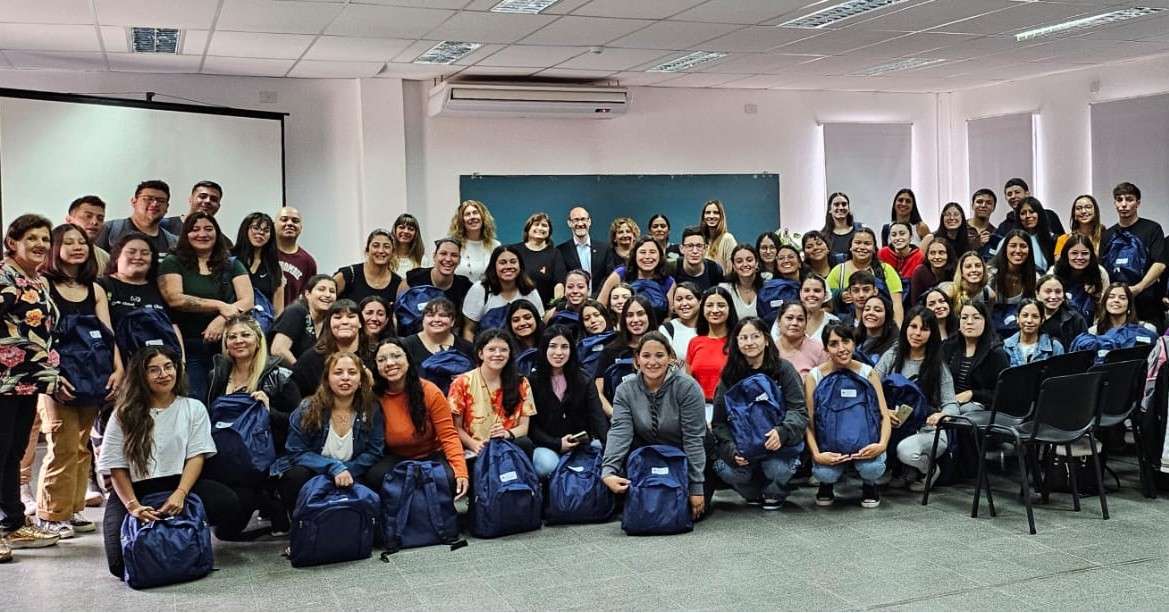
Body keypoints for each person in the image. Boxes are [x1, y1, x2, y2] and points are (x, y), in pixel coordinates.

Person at [100, 348, 255, 578]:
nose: (163, 374)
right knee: (118, 564)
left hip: (178, 483)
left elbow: (197, 455)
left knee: (228, 502)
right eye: (154, 370)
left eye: (168, 367)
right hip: (136, 489)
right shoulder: (123, 413)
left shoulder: (192, 407)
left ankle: (186, 536)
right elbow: (116, 466)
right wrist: (133, 506)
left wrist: (181, 493)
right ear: (141, 376)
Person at [35, 224, 124, 538]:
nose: (77, 247)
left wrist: (118, 369)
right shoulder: (42, 284)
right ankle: (49, 514)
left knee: (82, 446)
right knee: (62, 444)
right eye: (68, 242)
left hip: (93, 375)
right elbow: (39, 337)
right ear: (55, 248)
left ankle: (71, 511)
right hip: (57, 378)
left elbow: (107, 332)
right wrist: (52, 376)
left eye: (82, 242)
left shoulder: (95, 288)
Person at [0, 215, 62, 559]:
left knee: (13, 452)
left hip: (27, 381)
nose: (40, 244)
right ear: (13, 242)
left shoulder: (37, 280)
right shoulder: (4, 276)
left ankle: (13, 522)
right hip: (2, 380)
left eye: (45, 238)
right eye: (32, 238)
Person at [601, 332, 711, 521]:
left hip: (687, 457)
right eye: (646, 356)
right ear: (637, 360)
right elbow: (620, 432)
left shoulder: (688, 387)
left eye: (659, 355)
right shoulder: (625, 390)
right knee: (644, 513)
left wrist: (696, 487)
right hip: (649, 457)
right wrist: (608, 470)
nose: (653, 362)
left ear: (670, 358)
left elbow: (693, 439)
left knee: (683, 514)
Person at [272, 352, 384, 522]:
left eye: (352, 373)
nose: (345, 378)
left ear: (361, 380)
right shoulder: (307, 408)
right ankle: (301, 526)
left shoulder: (372, 408)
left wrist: (348, 470)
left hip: (354, 472)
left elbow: (375, 451)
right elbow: (296, 451)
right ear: (327, 379)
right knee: (294, 475)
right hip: (315, 472)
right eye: (338, 372)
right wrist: (334, 468)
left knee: (377, 474)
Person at [711, 317, 808, 509]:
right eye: (743, 338)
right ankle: (753, 492)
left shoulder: (784, 369)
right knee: (726, 470)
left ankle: (775, 491)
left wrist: (783, 431)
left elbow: (798, 410)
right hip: (744, 447)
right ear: (736, 343)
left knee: (776, 469)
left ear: (765, 339)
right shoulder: (729, 375)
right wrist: (731, 450)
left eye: (755, 336)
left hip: (778, 449)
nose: (749, 343)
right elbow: (719, 423)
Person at [158, 212, 254, 403]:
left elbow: (247, 300)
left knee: (228, 400)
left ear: (217, 233)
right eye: (195, 229)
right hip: (189, 345)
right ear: (185, 234)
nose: (202, 234)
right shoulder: (173, 261)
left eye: (208, 229)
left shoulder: (232, 264)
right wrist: (219, 306)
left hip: (228, 346)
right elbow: (175, 298)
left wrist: (222, 319)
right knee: (196, 400)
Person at [362, 338, 467, 501]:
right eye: (381, 360)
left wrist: (461, 471)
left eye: (396, 356)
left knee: (450, 478)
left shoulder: (431, 391)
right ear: (376, 367)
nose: (389, 363)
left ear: (408, 360)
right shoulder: (374, 396)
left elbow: (449, 436)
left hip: (431, 454)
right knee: (373, 477)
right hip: (396, 457)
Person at [804, 323, 891, 508]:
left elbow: (884, 414)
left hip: (866, 443)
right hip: (830, 446)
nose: (841, 348)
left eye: (846, 341)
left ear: (853, 343)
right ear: (826, 348)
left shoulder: (868, 372)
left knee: (872, 469)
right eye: (834, 343)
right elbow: (809, 422)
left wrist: (881, 445)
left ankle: (870, 484)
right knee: (825, 473)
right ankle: (826, 484)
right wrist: (817, 455)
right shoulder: (815, 376)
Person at [875, 307, 958, 492]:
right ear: (905, 328)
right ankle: (896, 471)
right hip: (896, 424)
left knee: (906, 451)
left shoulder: (938, 365)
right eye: (913, 326)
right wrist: (884, 411)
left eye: (924, 329)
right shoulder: (893, 355)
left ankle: (928, 470)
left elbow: (951, 403)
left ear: (932, 333)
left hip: (927, 429)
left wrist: (942, 415)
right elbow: (871, 386)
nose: (917, 333)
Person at [206, 315, 300, 453]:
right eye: (232, 337)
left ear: (258, 340)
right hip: (223, 451)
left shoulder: (279, 376)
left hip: (265, 457)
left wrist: (269, 411)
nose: (239, 341)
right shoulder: (216, 376)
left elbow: (298, 423)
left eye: (245, 335)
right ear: (226, 344)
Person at [528, 326, 609, 478]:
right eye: (553, 346)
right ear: (544, 348)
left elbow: (597, 417)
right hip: (547, 445)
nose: (559, 352)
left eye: (564, 347)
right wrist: (557, 443)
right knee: (547, 465)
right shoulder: (532, 381)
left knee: (601, 455)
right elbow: (531, 426)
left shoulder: (583, 379)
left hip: (580, 444)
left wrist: (610, 451)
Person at [447, 329, 537, 459]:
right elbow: (456, 427)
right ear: (481, 353)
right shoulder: (462, 382)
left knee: (525, 443)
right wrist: (474, 445)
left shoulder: (521, 382)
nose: (498, 354)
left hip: (508, 445)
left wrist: (507, 433)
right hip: (475, 448)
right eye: (491, 349)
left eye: (503, 350)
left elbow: (524, 427)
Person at [100, 233, 184, 355]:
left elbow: (173, 327)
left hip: (161, 364)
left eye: (145, 253)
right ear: (117, 256)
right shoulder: (102, 285)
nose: (138, 257)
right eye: (131, 252)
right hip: (120, 362)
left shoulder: (160, 288)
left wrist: (181, 362)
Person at [1100, 182, 1166, 331]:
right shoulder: (1107, 235)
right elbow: (1102, 269)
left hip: (1147, 305)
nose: (1123, 204)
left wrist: (1138, 288)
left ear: (1138, 203)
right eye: (1119, 199)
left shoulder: (1152, 229)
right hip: (1115, 309)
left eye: (1129, 199)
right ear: (1115, 203)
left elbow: (1160, 263)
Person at [462, 245, 544, 340]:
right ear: (494, 266)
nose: (508, 266)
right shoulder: (480, 289)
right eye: (503, 263)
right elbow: (469, 330)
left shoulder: (530, 290)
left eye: (513, 262)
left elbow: (538, 326)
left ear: (520, 265)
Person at [291, 300, 371, 397]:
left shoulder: (373, 355)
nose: (344, 322)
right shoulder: (312, 358)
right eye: (337, 317)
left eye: (351, 317)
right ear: (329, 324)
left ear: (360, 323)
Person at [594, 295, 658, 416]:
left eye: (640, 314)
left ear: (649, 316)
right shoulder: (610, 351)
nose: (635, 320)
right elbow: (598, 392)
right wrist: (615, 415)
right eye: (629, 315)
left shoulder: (663, 348)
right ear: (624, 320)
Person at [826, 228, 904, 325]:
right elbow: (825, 299)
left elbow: (897, 305)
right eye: (858, 243)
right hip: (846, 329)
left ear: (874, 248)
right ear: (850, 246)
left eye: (867, 243)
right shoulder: (838, 271)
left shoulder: (886, 270)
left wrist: (897, 332)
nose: (862, 247)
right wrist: (839, 295)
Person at [944, 301, 1010, 414]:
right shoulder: (948, 346)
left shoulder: (996, 353)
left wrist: (972, 394)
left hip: (979, 407)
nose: (969, 322)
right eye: (964, 317)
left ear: (985, 322)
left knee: (966, 411)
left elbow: (1003, 394)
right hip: (949, 401)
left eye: (976, 318)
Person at [597, 236, 675, 322]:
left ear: (660, 256)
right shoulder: (620, 274)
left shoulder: (668, 281)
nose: (647, 256)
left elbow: (670, 317)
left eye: (652, 252)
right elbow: (600, 306)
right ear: (634, 255)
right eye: (642, 252)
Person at [686, 286, 737, 418]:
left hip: (730, 410)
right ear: (702, 309)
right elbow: (688, 382)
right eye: (709, 305)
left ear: (729, 309)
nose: (715, 310)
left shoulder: (737, 342)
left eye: (721, 305)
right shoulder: (694, 342)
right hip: (698, 410)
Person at [95, 180, 178, 260]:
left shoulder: (173, 242)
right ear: (134, 201)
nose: (155, 204)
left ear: (167, 207)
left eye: (161, 201)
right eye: (148, 198)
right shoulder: (109, 230)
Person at [269, 274, 336, 366]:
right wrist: (301, 372)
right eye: (321, 289)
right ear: (307, 294)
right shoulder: (296, 311)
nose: (328, 295)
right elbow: (278, 350)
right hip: (285, 375)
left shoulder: (330, 320)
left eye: (332, 291)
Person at [231, 212, 285, 315]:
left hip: (262, 326)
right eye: (255, 228)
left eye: (266, 230)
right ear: (245, 229)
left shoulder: (273, 267)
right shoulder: (230, 259)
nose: (260, 233)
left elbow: (278, 311)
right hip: (229, 322)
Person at [405, 238, 473, 319]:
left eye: (454, 255)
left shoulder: (465, 286)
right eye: (443, 253)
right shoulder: (414, 279)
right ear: (434, 256)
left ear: (459, 260)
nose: (448, 259)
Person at [335, 229, 403, 307]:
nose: (381, 250)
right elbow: (327, 299)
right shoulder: (349, 274)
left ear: (393, 253)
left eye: (386, 247)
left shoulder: (398, 283)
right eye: (376, 246)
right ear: (367, 250)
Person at [401, 297, 474, 369]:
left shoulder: (467, 348)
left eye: (443, 315)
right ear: (422, 320)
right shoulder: (406, 345)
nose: (436, 320)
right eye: (430, 315)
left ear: (452, 321)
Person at [1052, 233, 1109, 324]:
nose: (1079, 257)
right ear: (1066, 254)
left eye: (1085, 253)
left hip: (1091, 329)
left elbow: (1106, 307)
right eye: (1074, 253)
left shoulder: (1101, 273)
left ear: (1091, 255)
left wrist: (1096, 296)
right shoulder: (1054, 272)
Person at [513, 212, 567, 307]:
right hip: (515, 309)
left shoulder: (555, 254)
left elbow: (559, 284)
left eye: (544, 225)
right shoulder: (514, 251)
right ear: (528, 229)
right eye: (536, 224)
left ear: (549, 231)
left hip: (545, 311)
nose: (540, 228)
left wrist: (556, 308)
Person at [556, 206, 612, 296]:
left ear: (589, 221)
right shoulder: (561, 251)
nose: (580, 223)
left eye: (583, 219)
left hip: (600, 302)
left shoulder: (604, 249)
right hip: (573, 302)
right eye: (576, 220)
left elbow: (609, 277)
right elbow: (561, 280)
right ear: (569, 223)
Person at [274, 206, 317, 308]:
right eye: (284, 219)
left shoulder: (308, 262)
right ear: (274, 224)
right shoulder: (263, 254)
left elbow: (307, 298)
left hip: (290, 319)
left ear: (301, 228)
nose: (289, 224)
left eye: (295, 221)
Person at [450, 200, 501, 284]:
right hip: (460, 295)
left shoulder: (495, 245)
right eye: (467, 214)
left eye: (475, 213)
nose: (472, 217)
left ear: (483, 217)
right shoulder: (453, 245)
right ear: (461, 220)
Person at [771, 303, 828, 377]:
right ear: (778, 322)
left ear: (806, 324)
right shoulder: (770, 350)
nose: (795, 323)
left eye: (800, 319)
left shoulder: (819, 350)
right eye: (789, 318)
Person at [996, 177, 1066, 237]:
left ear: (1027, 194)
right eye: (1009, 194)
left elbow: (1062, 242)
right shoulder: (1004, 227)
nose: (1013, 196)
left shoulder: (1049, 216)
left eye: (1017, 192)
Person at [1003, 299, 1064, 366]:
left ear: (1042, 320)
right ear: (1017, 318)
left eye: (1035, 316)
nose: (1029, 320)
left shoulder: (1055, 347)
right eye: (1025, 315)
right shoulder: (1005, 347)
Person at [1035, 274, 1089, 349]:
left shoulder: (1076, 320)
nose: (1053, 296)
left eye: (1058, 292)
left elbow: (1084, 349)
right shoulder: (1029, 317)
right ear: (1037, 294)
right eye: (1048, 292)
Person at [989, 230, 1038, 306]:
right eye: (1013, 245)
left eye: (1023, 246)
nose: (1018, 250)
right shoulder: (990, 274)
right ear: (1005, 248)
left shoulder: (1035, 277)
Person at [159, 181, 224, 237]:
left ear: (218, 206)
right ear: (191, 199)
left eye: (214, 199)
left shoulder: (223, 241)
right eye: (202, 196)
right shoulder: (163, 225)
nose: (208, 201)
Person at [1088, 283, 1157, 335]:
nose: (1116, 300)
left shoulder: (1147, 329)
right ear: (1105, 303)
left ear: (1129, 305)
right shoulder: (1093, 332)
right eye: (1111, 297)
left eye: (1122, 298)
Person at [65, 195, 110, 271]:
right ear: (69, 220)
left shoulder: (106, 258)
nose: (94, 222)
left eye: (100, 219)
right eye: (88, 216)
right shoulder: (50, 251)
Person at [719, 244, 763, 320]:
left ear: (756, 263)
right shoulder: (724, 290)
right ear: (733, 266)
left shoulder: (768, 288)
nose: (745, 264)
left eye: (749, 260)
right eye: (739, 261)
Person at [673, 227, 723, 293]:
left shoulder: (715, 270)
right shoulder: (672, 269)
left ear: (705, 249)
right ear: (682, 249)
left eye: (699, 246)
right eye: (690, 246)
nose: (695, 251)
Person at [660, 282, 700, 360]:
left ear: (700, 301)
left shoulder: (711, 327)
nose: (684, 303)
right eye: (679, 299)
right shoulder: (667, 329)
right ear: (673, 305)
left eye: (689, 298)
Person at [1014, 197, 1056, 271]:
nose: (1027, 216)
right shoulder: (1012, 240)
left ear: (1039, 214)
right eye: (1023, 213)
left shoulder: (1053, 239)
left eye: (1032, 211)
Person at [910, 236, 955, 305]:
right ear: (927, 256)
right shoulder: (920, 271)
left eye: (941, 252)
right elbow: (915, 303)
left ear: (948, 255)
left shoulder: (954, 271)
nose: (937, 257)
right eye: (932, 253)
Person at [856, 295, 898, 365]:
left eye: (877, 310)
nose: (871, 313)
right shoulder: (852, 339)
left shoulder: (894, 346)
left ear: (887, 316)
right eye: (867, 309)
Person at [795, 275, 838, 341]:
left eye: (817, 291)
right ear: (800, 294)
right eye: (806, 290)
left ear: (825, 295)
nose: (811, 294)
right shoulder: (786, 319)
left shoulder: (834, 321)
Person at [821, 192, 859, 266]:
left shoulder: (859, 231)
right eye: (836, 204)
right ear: (830, 209)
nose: (841, 207)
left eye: (844, 204)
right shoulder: (823, 236)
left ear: (848, 208)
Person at [699, 200, 736, 271]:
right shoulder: (701, 240)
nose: (711, 216)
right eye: (708, 213)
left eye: (716, 213)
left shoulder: (728, 238)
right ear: (703, 216)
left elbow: (731, 271)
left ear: (721, 216)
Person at [390, 213, 430, 278]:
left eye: (410, 229)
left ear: (416, 234)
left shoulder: (422, 260)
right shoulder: (387, 258)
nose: (406, 231)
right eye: (402, 227)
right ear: (395, 230)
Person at [967, 188, 998, 259]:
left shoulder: (995, 233)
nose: (983, 205)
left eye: (989, 203)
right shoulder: (961, 228)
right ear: (972, 205)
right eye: (979, 202)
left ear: (993, 208)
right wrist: (976, 243)